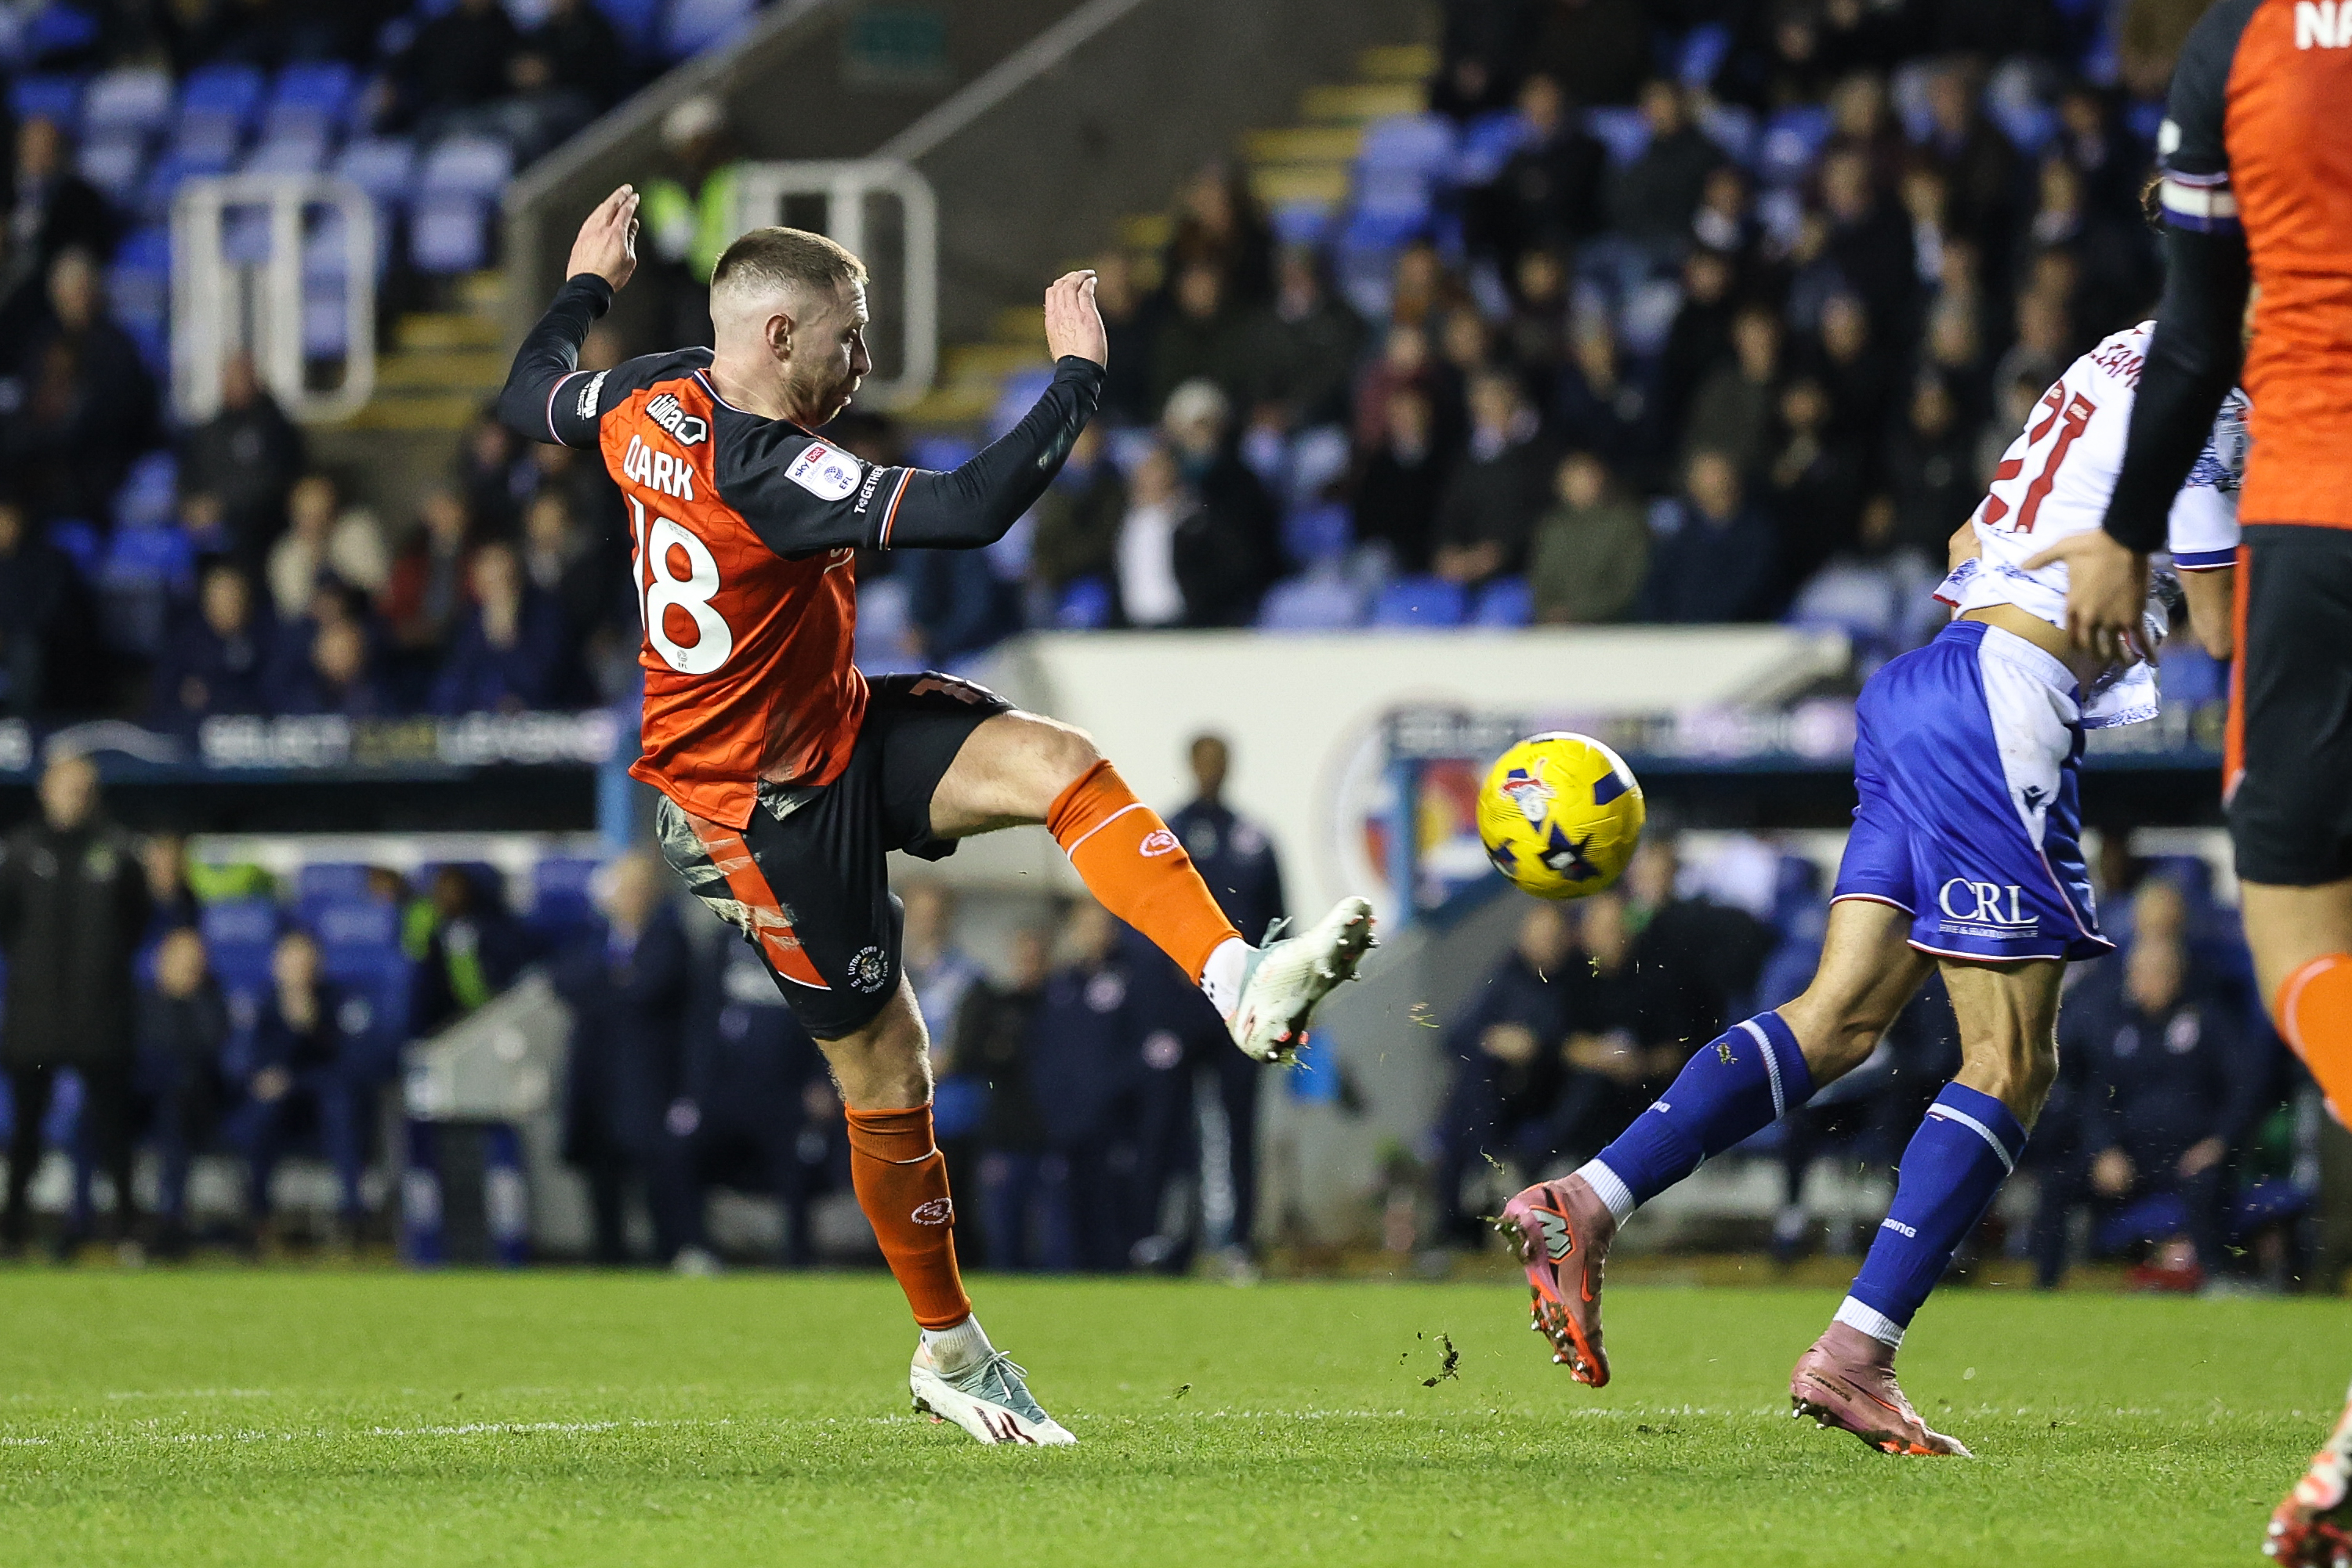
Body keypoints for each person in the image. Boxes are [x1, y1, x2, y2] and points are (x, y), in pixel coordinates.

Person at [496, 189, 1375, 1446]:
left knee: (1057, 761)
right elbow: (969, 510)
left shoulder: (644, 394)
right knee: (887, 1068)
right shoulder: (771, 467)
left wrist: (585, 289)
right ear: (784, 334)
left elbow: (529, 392)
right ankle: (951, 1352)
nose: (863, 365)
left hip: (835, 726)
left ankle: (1236, 976)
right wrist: (1077, 379)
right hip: (759, 809)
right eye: (851, 339)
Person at [1499, 313, 2245, 1458]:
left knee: (1839, 1020)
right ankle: (1857, 1353)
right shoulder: (2215, 393)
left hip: (1926, 681)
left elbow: (1964, 533)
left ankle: (1585, 1200)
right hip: (2006, 696)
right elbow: (2226, 624)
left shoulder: (2119, 354)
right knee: (2011, 1058)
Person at [2039, 12, 2352, 1551]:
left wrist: (2131, 520)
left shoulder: (2238, 43)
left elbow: (2193, 324)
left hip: (2319, 524)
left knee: (2301, 946)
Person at [0, 752, 152, 1256]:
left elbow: (136, 923)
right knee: (26, 1129)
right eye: (66, 787)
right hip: (36, 1019)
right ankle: (13, 1229)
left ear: (95, 795)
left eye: (83, 789)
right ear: (45, 791)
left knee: (114, 1131)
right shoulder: (20, 853)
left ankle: (127, 1230)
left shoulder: (118, 851)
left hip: (100, 1017)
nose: (74, 797)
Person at [1160, 733, 1285, 1265]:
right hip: (1183, 1005)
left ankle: (1237, 1239)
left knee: (1241, 1123)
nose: (1211, 770)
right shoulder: (1167, 831)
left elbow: (1279, 922)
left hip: (1242, 1004)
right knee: (1172, 1123)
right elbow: (1145, 908)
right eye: (1204, 760)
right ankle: (1174, 1237)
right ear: (1190, 764)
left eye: (1219, 761)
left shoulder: (1253, 837)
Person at [555, 853, 697, 1266]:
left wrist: (605, 989)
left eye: (637, 889)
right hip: (597, 1079)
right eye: (623, 889)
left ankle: (664, 1258)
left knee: (654, 1179)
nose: (629, 898)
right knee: (602, 1179)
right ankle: (607, 1258)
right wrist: (616, 984)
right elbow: (563, 979)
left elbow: (646, 990)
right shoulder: (595, 938)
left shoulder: (669, 937)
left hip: (647, 1080)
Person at [242, 930, 369, 1249]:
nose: (299, 970)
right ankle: (257, 1217)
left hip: (323, 1096)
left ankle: (351, 1218)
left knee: (340, 1105)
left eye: (305, 962)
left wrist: (309, 1026)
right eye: (291, 962)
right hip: (284, 1106)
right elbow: (256, 1064)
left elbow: (348, 1062)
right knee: (262, 1110)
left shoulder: (336, 1000)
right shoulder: (266, 1004)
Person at [134, 925, 227, 1258]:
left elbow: (214, 1054)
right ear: (163, 961)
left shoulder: (210, 1002)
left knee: (175, 1113)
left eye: (197, 960)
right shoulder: (140, 1003)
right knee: (92, 1118)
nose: (191, 967)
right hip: (140, 1101)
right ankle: (97, 1221)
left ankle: (170, 1222)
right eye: (183, 959)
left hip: (193, 1105)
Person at [1528, 451, 1647, 625]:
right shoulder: (1551, 527)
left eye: (1584, 477)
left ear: (1600, 479)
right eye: (1570, 479)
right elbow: (1540, 580)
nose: (1578, 485)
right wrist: (1551, 612)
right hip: (1555, 626)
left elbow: (1626, 586)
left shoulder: (1625, 524)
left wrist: (1575, 613)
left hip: (1609, 626)